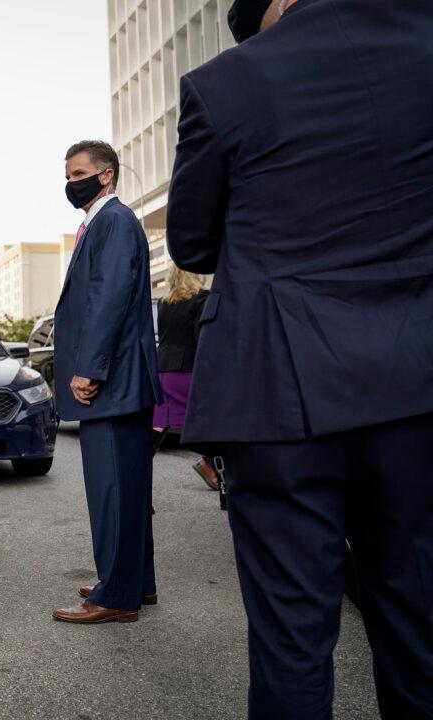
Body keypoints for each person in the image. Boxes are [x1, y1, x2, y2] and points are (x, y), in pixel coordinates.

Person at [168, 0, 433, 716]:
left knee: (292, 633)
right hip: (418, 379)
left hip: (281, 391)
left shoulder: (226, 80)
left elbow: (192, 244)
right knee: (421, 621)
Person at [51, 140, 162, 625]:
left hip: (111, 383)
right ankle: (136, 581)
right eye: (68, 173)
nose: (71, 182)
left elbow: (109, 296)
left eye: (79, 173)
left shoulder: (113, 220)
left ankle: (115, 595)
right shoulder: (106, 221)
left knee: (112, 489)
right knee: (130, 488)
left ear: (107, 176)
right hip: (122, 381)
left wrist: (88, 367)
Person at [152, 266, 219, 490]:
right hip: (188, 371)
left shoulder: (164, 304)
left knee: (158, 425)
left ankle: (135, 479)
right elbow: (202, 337)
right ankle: (213, 468)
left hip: (162, 371)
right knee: (208, 422)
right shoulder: (202, 299)